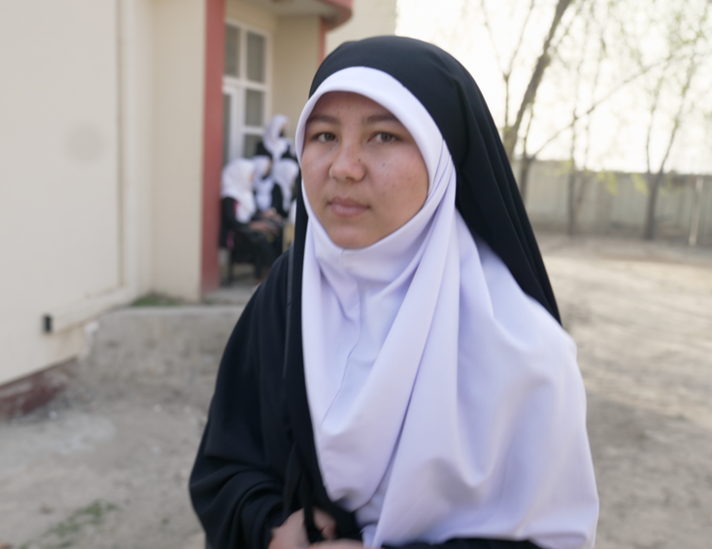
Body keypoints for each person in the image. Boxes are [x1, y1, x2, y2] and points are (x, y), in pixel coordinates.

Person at [190, 36, 598, 549]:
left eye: (383, 137)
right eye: (323, 136)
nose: (344, 167)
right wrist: (271, 526)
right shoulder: (284, 299)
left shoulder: (524, 348)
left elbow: (552, 538)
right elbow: (225, 465)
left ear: (443, 158)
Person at [221, 158, 283, 281]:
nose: (253, 177)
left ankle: (271, 273)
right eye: (251, 174)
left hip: (248, 234)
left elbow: (252, 214)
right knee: (261, 240)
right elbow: (231, 221)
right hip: (236, 237)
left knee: (276, 233)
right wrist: (253, 225)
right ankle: (273, 274)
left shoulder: (246, 193)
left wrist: (265, 217)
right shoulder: (229, 196)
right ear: (241, 174)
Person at [254, 115, 299, 215]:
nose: (284, 130)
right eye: (282, 127)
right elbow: (259, 167)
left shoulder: (287, 145)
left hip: (287, 181)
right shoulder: (262, 145)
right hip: (268, 183)